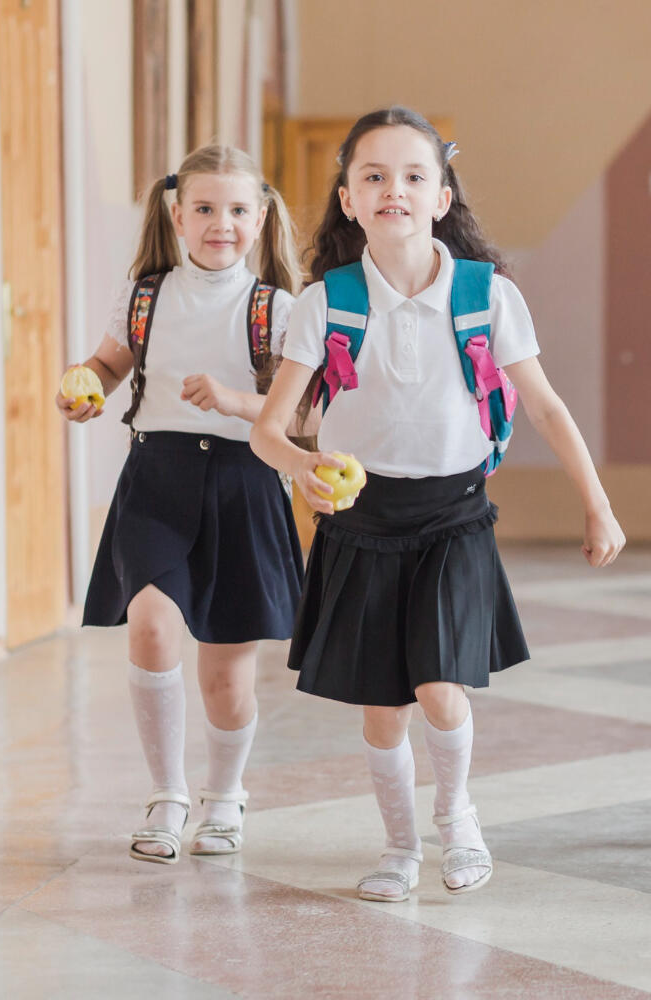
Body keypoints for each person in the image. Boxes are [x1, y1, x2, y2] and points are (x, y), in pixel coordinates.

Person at [250, 107, 625, 903]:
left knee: (440, 688)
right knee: (383, 710)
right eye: (374, 176)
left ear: (443, 196)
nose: (395, 190)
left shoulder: (489, 296)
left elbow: (549, 408)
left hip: (455, 517)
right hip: (358, 522)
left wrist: (597, 503)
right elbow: (268, 431)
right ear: (347, 198)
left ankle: (458, 821)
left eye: (414, 176)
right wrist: (306, 469)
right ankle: (398, 847)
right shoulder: (325, 302)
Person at [58, 144, 305, 864]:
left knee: (228, 674)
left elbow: (303, 412)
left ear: (258, 218)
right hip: (156, 482)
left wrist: (233, 400)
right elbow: (107, 365)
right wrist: (85, 387)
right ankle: (166, 796)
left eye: (235, 210)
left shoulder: (276, 309)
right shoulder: (144, 295)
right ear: (177, 213)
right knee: (152, 627)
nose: (218, 223)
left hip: (246, 482)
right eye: (203, 208)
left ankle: (224, 800)